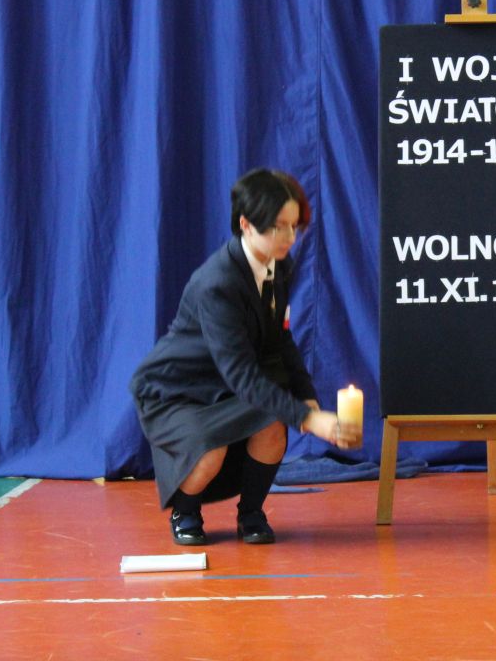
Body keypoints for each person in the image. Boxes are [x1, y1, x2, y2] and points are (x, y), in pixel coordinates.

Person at [130, 169, 358, 545]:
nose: (289, 238)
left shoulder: (280, 265)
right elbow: (242, 375)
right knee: (211, 447)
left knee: (273, 425)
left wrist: (306, 397)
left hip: (226, 385)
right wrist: (310, 420)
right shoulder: (217, 283)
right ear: (246, 224)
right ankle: (185, 511)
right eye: (277, 227)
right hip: (178, 392)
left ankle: (251, 512)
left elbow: (280, 340)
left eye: (293, 226)